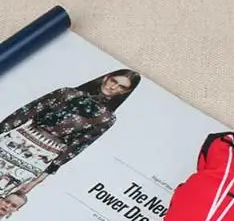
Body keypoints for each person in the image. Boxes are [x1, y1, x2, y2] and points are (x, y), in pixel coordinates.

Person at [0, 69, 141, 203]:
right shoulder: (66, 93)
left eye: (121, 87)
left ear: (125, 91)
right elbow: (25, 113)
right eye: (113, 81)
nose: (113, 87)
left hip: (40, 158)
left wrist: (43, 175)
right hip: (14, 141)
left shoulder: (107, 118)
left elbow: (77, 146)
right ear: (106, 77)